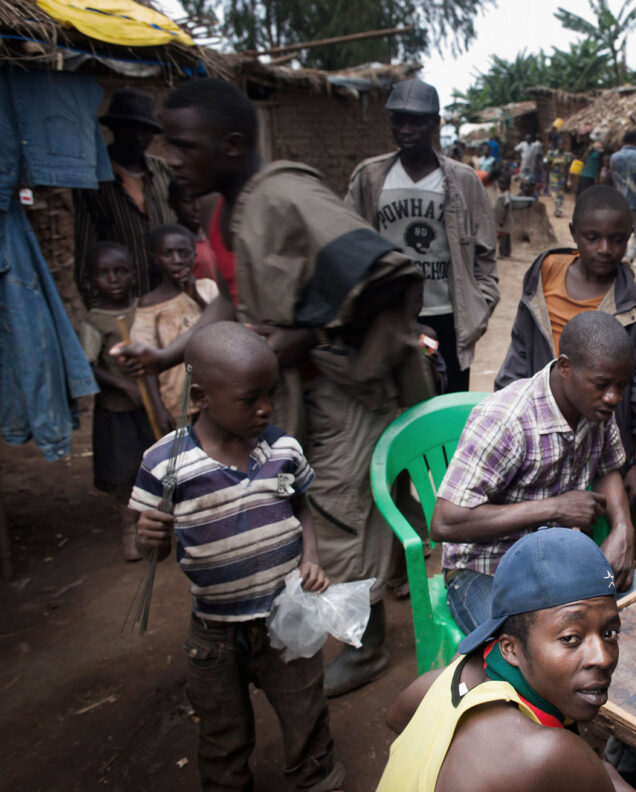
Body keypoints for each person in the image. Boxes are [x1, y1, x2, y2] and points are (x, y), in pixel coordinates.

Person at [115, 77, 434, 697]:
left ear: (231, 144)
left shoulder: (287, 196)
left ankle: (366, 648)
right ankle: (344, 620)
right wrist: (165, 355)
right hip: (286, 397)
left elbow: (385, 268)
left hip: (340, 394)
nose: (169, 160)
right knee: (308, 506)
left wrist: (305, 337)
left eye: (182, 145)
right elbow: (231, 303)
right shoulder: (226, 212)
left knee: (343, 517)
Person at [131, 322, 345, 792]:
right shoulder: (165, 465)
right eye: (250, 399)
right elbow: (148, 543)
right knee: (223, 732)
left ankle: (316, 780)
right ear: (202, 396)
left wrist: (311, 557)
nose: (265, 408)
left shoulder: (282, 448)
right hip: (214, 632)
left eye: (269, 394)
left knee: (306, 711)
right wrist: (147, 537)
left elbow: (301, 507)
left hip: (285, 617)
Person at [376, 527, 634, 792]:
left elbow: (397, 717)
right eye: (570, 638)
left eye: (609, 633)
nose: (602, 658)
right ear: (510, 648)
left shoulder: (451, 677)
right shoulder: (549, 754)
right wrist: (606, 772)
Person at [432, 311, 636, 632]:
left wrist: (623, 530)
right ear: (566, 367)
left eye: (622, 385)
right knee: (532, 659)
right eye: (603, 385)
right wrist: (556, 507)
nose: (614, 397)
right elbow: (445, 521)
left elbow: (609, 468)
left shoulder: (595, 406)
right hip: (485, 570)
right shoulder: (507, 420)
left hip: (557, 562)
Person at [496, 185, 636, 541]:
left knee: (604, 538)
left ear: (631, 238)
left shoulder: (634, 305)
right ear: (574, 233)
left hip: (604, 449)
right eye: (592, 237)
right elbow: (518, 358)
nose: (605, 249)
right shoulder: (542, 283)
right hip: (539, 447)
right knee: (538, 539)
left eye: (617, 240)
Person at [346, 78, 499, 394]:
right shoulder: (370, 178)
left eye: (416, 121)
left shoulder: (462, 181)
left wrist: (479, 307)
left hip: (447, 319)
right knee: (394, 405)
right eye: (397, 121)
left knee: (445, 408)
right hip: (388, 319)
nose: (405, 129)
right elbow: (349, 246)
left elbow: (485, 253)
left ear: (435, 123)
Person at [78, 241, 170, 561]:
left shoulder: (143, 309)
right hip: (118, 411)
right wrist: (123, 385)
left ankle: (162, 526)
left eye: (120, 271)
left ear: (133, 274)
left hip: (152, 405)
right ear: (90, 281)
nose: (113, 279)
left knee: (158, 462)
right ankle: (130, 528)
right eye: (103, 274)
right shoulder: (94, 321)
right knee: (124, 471)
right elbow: (89, 365)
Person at [74, 87, 176, 303]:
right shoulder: (95, 180)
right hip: (125, 302)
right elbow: (87, 249)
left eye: (144, 130)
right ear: (115, 128)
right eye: (129, 128)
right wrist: (100, 309)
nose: (137, 137)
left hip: (170, 296)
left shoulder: (163, 172)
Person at [130, 224, 219, 420]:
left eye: (184, 253)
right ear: (155, 259)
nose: (177, 260)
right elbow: (146, 363)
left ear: (195, 256)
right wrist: (158, 409)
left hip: (219, 392)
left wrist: (196, 296)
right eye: (168, 254)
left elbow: (225, 331)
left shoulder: (208, 289)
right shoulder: (150, 305)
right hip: (179, 400)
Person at [609, 131, 636, 262]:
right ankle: (630, 256)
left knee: (621, 232)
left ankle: (623, 256)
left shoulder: (614, 157)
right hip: (635, 201)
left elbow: (612, 177)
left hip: (619, 201)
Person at [545, 134, 572, 217]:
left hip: (562, 177)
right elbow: (548, 166)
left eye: (562, 144)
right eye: (559, 144)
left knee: (560, 194)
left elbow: (568, 168)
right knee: (554, 194)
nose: (561, 146)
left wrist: (568, 179)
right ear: (557, 145)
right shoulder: (552, 154)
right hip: (553, 176)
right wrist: (546, 178)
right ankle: (558, 209)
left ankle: (559, 209)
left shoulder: (566, 156)